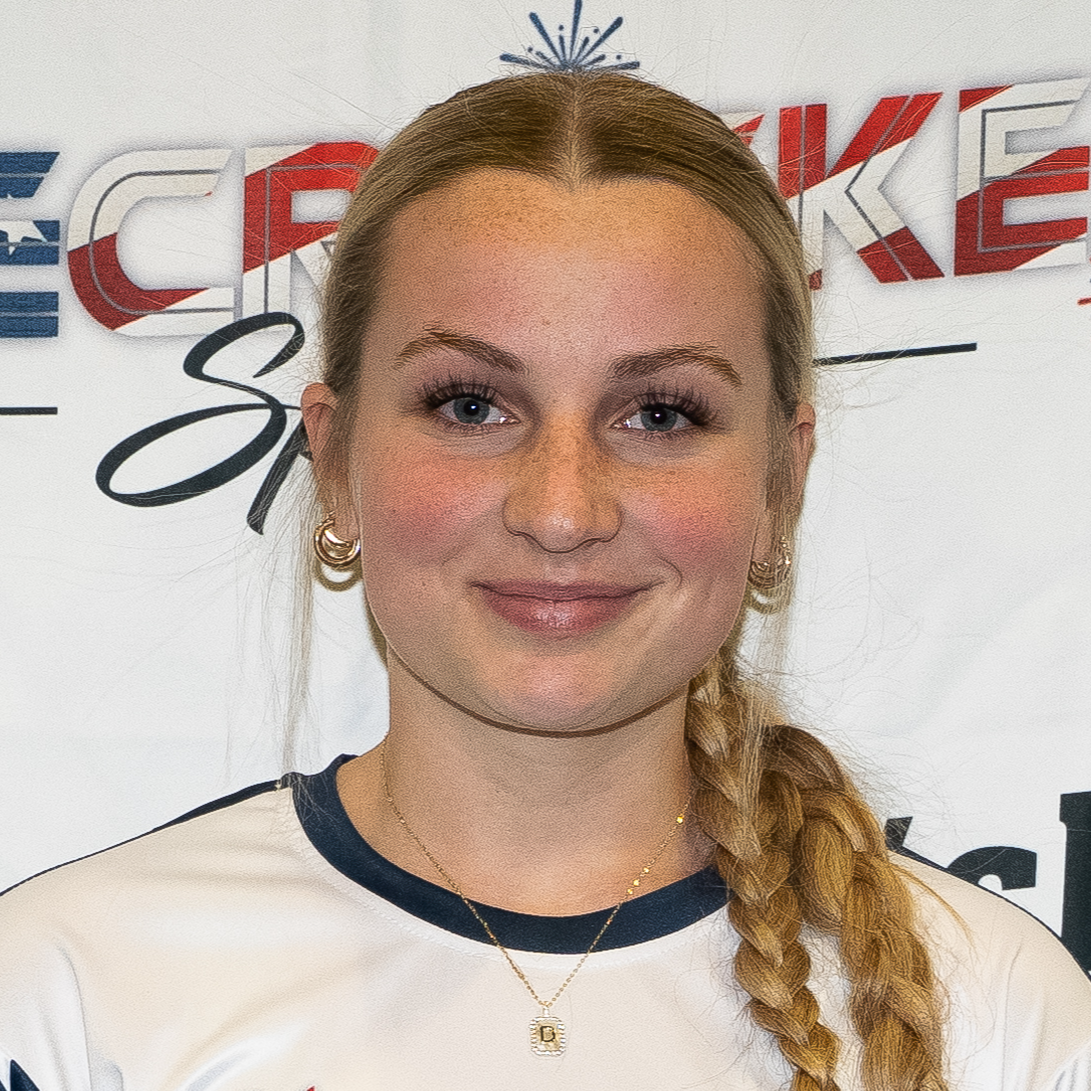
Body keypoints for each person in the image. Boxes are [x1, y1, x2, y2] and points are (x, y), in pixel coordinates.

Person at [1, 71, 1089, 1091]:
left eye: (658, 413)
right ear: (333, 464)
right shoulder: (68, 989)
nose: (562, 510)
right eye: (470, 405)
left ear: (779, 485)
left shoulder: (994, 1010)